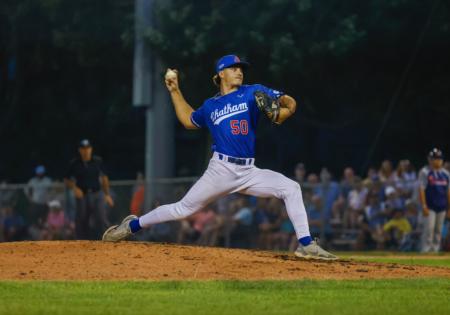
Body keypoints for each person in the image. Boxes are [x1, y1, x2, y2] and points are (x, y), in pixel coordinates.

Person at [103, 54, 337, 260]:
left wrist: (286, 107)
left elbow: (285, 105)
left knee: (291, 188)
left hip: (249, 172)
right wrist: (174, 90)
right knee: (182, 209)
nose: (239, 72)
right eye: (234, 68)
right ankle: (130, 226)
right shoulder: (211, 106)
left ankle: (306, 245)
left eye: (241, 69)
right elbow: (189, 120)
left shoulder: (252, 91)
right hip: (221, 170)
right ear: (221, 73)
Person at [64, 139, 114, 239]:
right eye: (83, 149)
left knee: (101, 217)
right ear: (80, 150)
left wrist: (107, 194)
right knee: (81, 218)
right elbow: (66, 179)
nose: (86, 151)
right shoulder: (75, 163)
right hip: (82, 194)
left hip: (97, 193)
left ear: (91, 149)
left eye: (87, 148)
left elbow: (104, 178)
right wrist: (74, 188)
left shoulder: (97, 161)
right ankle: (81, 241)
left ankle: (107, 239)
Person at [418, 148, 450, 252]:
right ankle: (426, 250)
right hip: (429, 206)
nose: (436, 160)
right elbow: (421, 189)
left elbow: (448, 192)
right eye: (434, 158)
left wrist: (449, 208)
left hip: (442, 206)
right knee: (429, 229)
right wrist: (423, 206)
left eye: (438, 158)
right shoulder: (425, 172)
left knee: (438, 230)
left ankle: (435, 250)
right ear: (429, 159)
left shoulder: (446, 174)